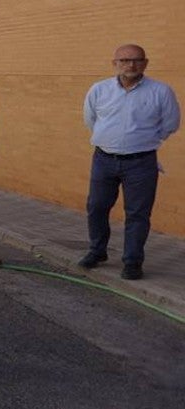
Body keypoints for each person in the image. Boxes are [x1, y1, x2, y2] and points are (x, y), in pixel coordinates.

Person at [79, 44, 180, 280]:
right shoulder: (99, 90)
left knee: (137, 214)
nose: (130, 65)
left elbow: (171, 124)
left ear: (145, 63)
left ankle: (132, 261)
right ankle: (97, 251)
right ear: (115, 63)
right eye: (124, 60)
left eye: (136, 60)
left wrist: (144, 141)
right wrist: (110, 140)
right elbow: (90, 119)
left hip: (141, 163)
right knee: (96, 207)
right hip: (104, 159)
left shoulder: (160, 91)